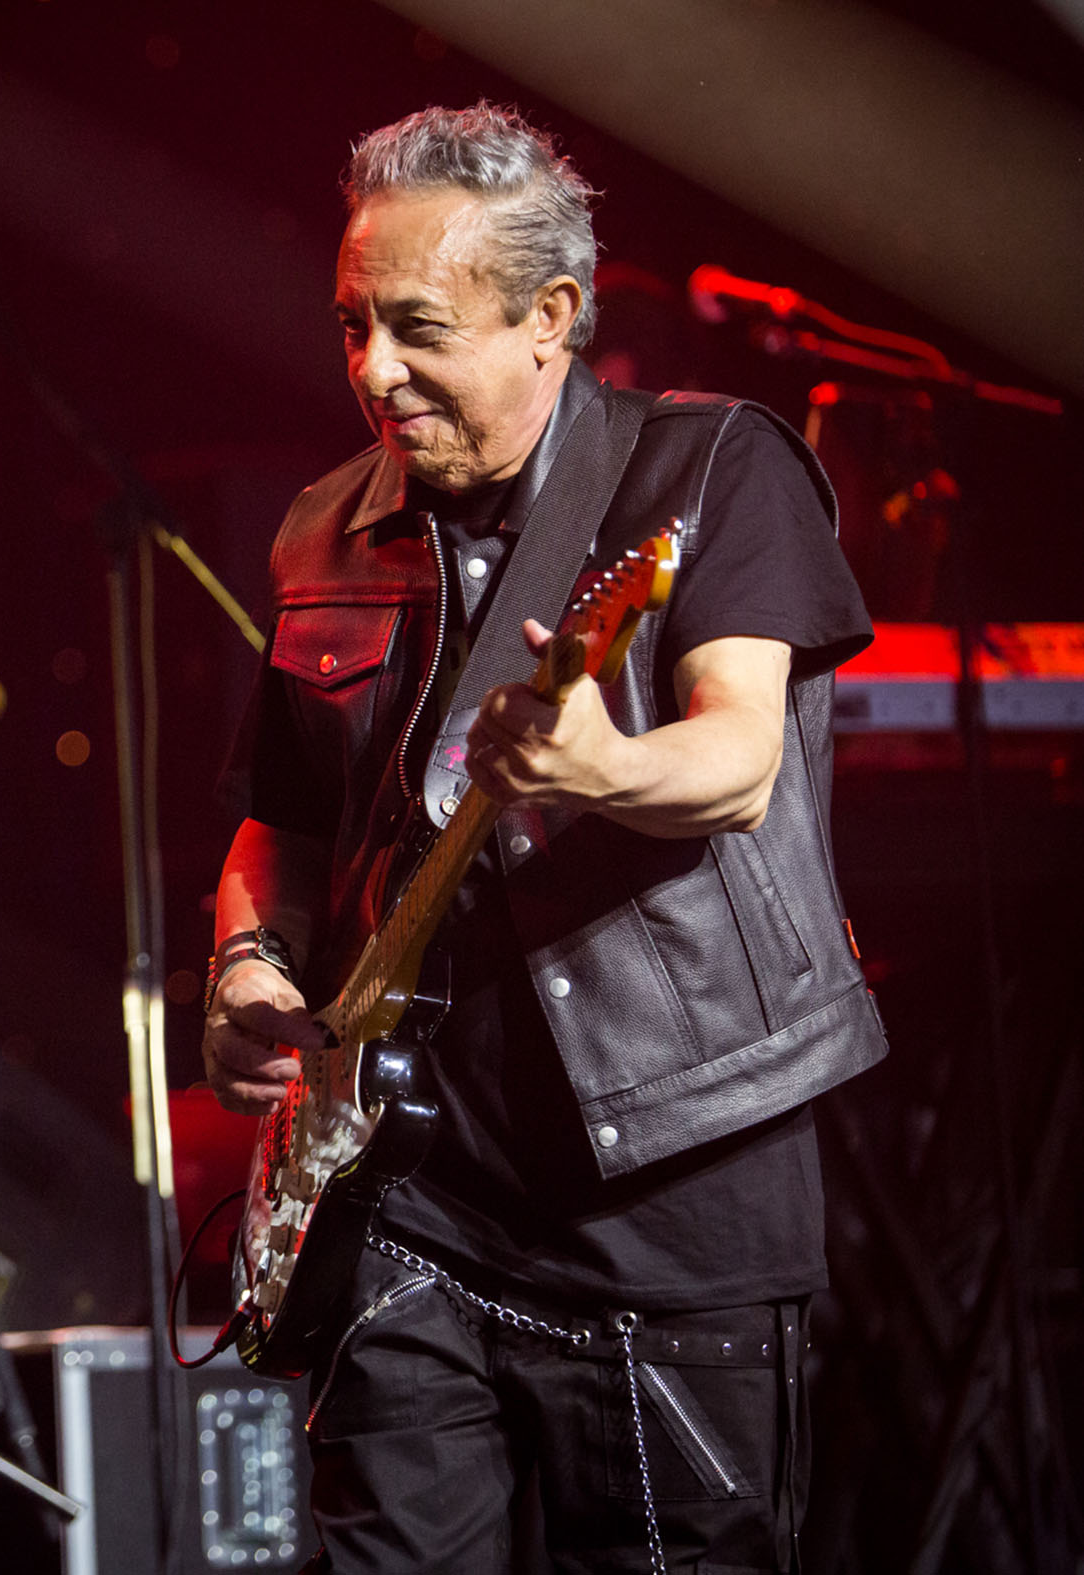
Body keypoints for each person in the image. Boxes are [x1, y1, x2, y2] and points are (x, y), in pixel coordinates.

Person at [202, 103, 887, 1573]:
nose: (371, 370)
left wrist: (600, 766)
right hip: (402, 1196)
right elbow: (282, 825)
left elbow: (737, 758)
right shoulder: (324, 528)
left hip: (669, 1197)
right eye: (351, 326)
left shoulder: (707, 471)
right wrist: (245, 968)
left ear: (550, 318)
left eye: (417, 330)